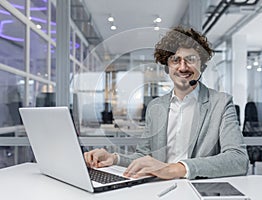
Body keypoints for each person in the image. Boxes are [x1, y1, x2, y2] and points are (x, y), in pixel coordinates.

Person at [84, 26, 249, 180]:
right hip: (159, 189)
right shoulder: (156, 107)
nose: (183, 67)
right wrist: (113, 158)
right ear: (167, 67)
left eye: (190, 59)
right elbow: (143, 158)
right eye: (175, 60)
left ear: (202, 66)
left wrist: (175, 169)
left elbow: (238, 159)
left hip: (198, 190)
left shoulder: (221, 103)